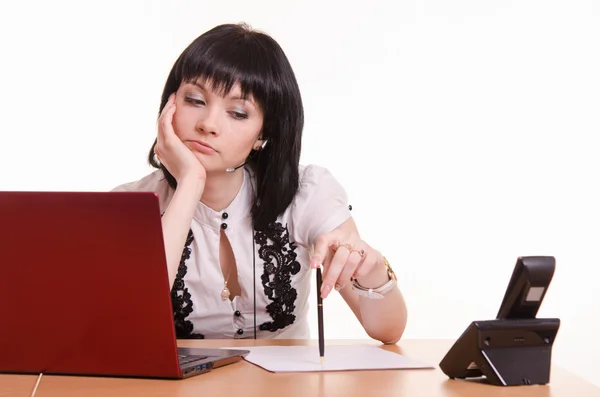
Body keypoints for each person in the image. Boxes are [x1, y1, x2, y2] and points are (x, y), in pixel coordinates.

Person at [112, 22, 408, 343]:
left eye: (238, 113)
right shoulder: (130, 205)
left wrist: (374, 270)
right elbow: (126, 325)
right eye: (195, 100)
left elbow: (387, 331)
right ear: (169, 104)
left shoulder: (307, 192)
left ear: (262, 134)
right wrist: (190, 183)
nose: (208, 124)